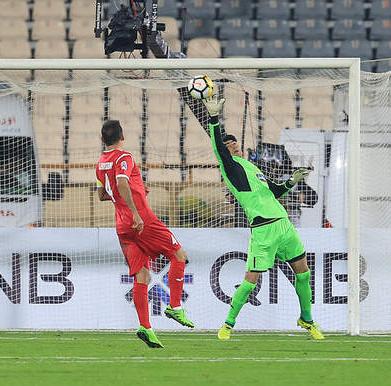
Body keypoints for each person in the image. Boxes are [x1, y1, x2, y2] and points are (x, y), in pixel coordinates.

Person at [202, 95, 324, 340]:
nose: (234, 146)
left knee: (303, 273)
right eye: (229, 145)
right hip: (263, 229)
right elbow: (218, 149)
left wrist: (291, 182)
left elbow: (274, 192)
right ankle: (228, 324)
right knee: (250, 281)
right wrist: (214, 118)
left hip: (284, 225)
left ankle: (307, 319)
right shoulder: (230, 168)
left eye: (235, 144)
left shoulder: (252, 167)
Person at [95, 120, 193, 349]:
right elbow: (121, 183)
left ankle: (146, 327)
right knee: (179, 255)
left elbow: (102, 194)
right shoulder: (124, 157)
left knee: (142, 275)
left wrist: (137, 190)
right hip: (141, 220)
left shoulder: (100, 164)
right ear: (122, 137)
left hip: (122, 227)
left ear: (102, 140)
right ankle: (175, 306)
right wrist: (135, 212)